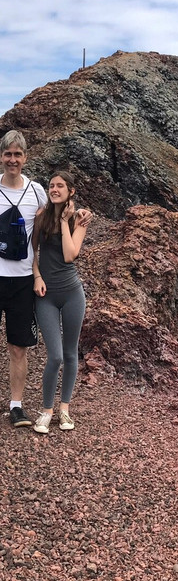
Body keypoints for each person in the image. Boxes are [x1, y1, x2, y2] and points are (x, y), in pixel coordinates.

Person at [31, 171, 91, 433]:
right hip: (45, 295)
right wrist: (36, 276)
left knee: (70, 353)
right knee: (54, 355)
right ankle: (46, 411)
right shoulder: (41, 216)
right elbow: (32, 250)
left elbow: (70, 255)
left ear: (71, 191)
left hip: (72, 294)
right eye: (51, 185)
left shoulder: (80, 220)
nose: (54, 189)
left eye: (60, 186)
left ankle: (64, 410)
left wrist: (67, 220)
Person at [0, 130, 47, 428]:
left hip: (21, 282)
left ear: (26, 157)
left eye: (18, 154)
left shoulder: (37, 191)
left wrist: (78, 216)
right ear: (1, 157)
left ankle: (16, 406)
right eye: (8, 154)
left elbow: (42, 236)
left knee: (19, 347)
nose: (12, 160)